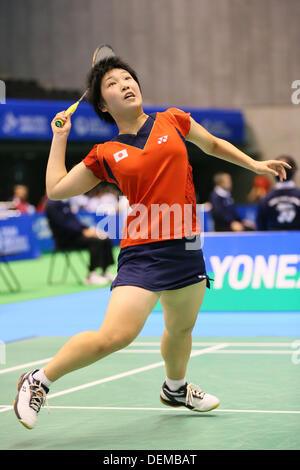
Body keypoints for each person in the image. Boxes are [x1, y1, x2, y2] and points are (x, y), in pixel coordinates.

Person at [13, 55, 290, 430]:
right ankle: (39, 380)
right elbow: (56, 189)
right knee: (114, 336)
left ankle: (175, 389)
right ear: (102, 105)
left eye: (128, 78)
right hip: (143, 250)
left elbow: (212, 145)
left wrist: (254, 166)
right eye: (113, 83)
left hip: (188, 245)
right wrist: (59, 137)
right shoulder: (105, 154)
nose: (126, 84)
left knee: (180, 329)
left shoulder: (172, 120)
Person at [45, 198, 115, 285]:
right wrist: (83, 232)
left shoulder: (65, 203)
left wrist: (90, 230)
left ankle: (105, 271)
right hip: (65, 239)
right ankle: (91, 275)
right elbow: (62, 225)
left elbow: (75, 221)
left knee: (104, 238)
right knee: (96, 241)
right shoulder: (52, 205)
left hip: (77, 235)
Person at [256, 156, 300, 230]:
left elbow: (260, 227)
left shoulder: (265, 199)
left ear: (274, 173)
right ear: (294, 173)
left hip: (273, 240)